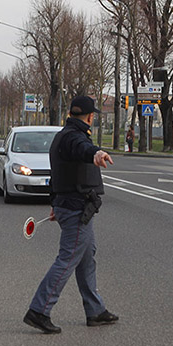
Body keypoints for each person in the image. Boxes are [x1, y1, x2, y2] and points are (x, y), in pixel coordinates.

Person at [23, 95, 118, 333]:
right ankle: (39, 310)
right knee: (66, 260)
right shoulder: (75, 138)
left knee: (87, 257)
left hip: (70, 205)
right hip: (77, 209)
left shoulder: (62, 137)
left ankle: (95, 310)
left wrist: (55, 203)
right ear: (90, 116)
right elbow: (84, 149)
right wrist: (96, 153)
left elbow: (57, 174)